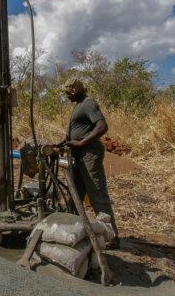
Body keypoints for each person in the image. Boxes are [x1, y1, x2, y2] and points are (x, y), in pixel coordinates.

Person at [59, 77, 120, 249]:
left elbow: (101, 127)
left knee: (97, 193)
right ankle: (78, 231)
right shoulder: (78, 106)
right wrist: (63, 142)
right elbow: (77, 131)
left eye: (68, 93)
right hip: (78, 156)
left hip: (89, 155)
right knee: (75, 194)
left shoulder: (88, 103)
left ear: (75, 90)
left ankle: (112, 237)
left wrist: (80, 143)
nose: (67, 97)